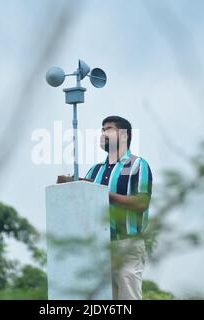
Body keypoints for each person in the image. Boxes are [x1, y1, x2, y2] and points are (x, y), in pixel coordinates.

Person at [85, 115, 153, 300]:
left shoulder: (138, 165)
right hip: (99, 246)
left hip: (127, 244)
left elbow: (141, 203)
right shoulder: (94, 170)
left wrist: (106, 196)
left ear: (124, 136)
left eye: (108, 129)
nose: (103, 133)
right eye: (102, 129)